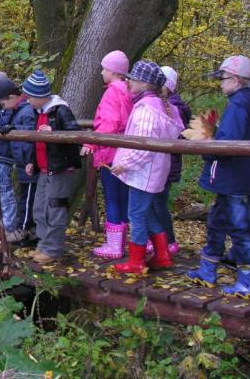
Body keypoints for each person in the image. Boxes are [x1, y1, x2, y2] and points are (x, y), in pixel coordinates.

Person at [187, 55, 250, 298]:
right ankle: (207, 269)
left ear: (237, 80)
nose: (220, 83)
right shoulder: (245, 101)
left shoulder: (240, 104)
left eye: (223, 78)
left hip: (234, 176)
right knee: (217, 221)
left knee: (239, 228)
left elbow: (229, 143)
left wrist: (208, 140)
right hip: (237, 175)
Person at [111, 61, 183, 274]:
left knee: (136, 215)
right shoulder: (160, 105)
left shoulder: (146, 110)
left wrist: (125, 164)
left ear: (144, 83)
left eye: (132, 78)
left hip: (144, 173)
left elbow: (143, 146)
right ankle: (161, 255)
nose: (129, 81)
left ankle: (136, 262)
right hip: (155, 171)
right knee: (147, 212)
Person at [22, 70, 82, 264]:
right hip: (44, 169)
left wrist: (54, 132)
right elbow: (36, 141)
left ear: (40, 96)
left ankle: (53, 249)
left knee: (55, 209)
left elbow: (74, 135)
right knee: (39, 208)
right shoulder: (37, 112)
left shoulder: (61, 110)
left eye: (30, 97)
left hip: (60, 169)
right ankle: (42, 245)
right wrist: (32, 161)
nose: (27, 100)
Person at [80, 50, 133, 260]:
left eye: (104, 68)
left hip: (111, 154)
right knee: (123, 198)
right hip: (126, 152)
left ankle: (114, 246)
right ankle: (126, 241)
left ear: (112, 71)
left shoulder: (113, 92)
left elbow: (109, 124)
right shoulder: (129, 90)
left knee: (113, 199)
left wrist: (90, 142)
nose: (102, 72)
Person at [0, 79, 38, 245]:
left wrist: (30, 160)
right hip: (22, 161)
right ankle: (30, 233)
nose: (2, 106)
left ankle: (22, 230)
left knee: (26, 199)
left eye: (3, 102)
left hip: (28, 163)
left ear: (12, 97)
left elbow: (30, 133)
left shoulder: (26, 110)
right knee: (24, 197)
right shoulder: (20, 110)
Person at [155, 66, 192, 255]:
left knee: (158, 203)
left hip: (167, 163)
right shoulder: (168, 104)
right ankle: (161, 240)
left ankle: (168, 241)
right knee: (156, 203)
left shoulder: (173, 107)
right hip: (165, 162)